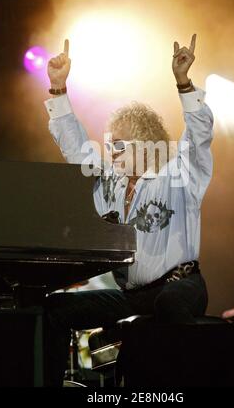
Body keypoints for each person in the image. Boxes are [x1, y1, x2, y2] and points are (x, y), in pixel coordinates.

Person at [43, 35, 214, 386]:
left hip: (182, 284)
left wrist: (183, 83)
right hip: (133, 296)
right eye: (109, 145)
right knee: (54, 309)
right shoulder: (111, 184)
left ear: (144, 140)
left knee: (169, 306)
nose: (112, 152)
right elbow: (77, 150)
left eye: (119, 145)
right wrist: (59, 90)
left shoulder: (179, 175)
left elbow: (198, 138)